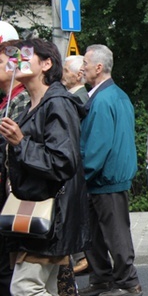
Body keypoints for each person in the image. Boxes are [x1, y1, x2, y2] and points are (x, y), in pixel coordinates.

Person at [0, 38, 104, 296]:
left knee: (24, 288)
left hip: (52, 214)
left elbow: (63, 162)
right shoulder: (31, 103)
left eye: (23, 56)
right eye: (12, 58)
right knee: (43, 290)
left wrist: (19, 144)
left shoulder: (57, 102)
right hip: (37, 212)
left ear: (46, 64)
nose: (15, 62)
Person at [77, 45, 142, 296]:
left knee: (114, 233)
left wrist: (81, 175)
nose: (82, 68)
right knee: (95, 232)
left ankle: (128, 282)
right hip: (107, 176)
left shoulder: (103, 99)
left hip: (104, 177)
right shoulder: (115, 95)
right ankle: (102, 278)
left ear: (99, 67)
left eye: (85, 62)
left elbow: (98, 144)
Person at [0, 40, 36, 296]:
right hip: (8, 195)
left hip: (18, 196)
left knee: (22, 274)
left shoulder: (22, 100)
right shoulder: (6, 100)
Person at [60, 54, 90, 274]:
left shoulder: (80, 99)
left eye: (66, 70)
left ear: (78, 74)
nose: (63, 74)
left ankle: (83, 256)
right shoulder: (75, 96)